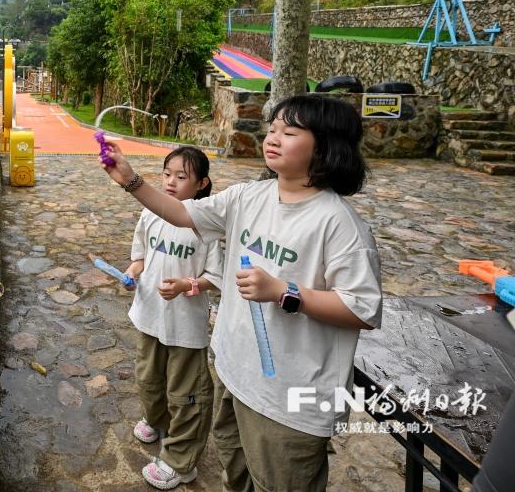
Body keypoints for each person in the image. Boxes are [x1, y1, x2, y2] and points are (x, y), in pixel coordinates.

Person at [102, 94, 383, 492]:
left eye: (289, 131)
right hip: (235, 374)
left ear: (326, 144)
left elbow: (362, 309)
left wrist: (284, 291)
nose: (273, 137)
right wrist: (130, 180)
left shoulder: (339, 224)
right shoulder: (249, 197)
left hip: (291, 398)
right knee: (236, 477)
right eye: (272, 129)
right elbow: (182, 213)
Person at [122, 146, 221, 490]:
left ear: (201, 183)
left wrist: (186, 285)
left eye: (181, 176)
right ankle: (157, 419)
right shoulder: (150, 214)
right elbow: (141, 257)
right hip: (149, 314)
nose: (171, 181)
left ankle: (182, 461)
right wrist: (133, 273)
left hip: (185, 325)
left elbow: (216, 276)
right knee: (149, 378)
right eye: (167, 174)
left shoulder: (205, 224)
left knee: (186, 392)